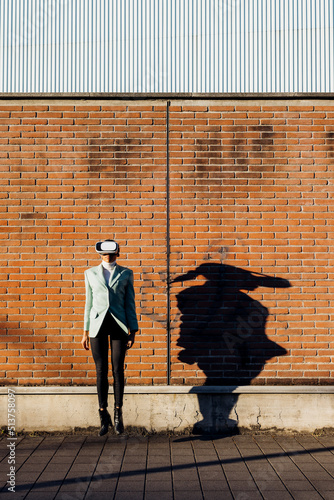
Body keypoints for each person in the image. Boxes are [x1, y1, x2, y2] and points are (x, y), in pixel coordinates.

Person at [81, 239, 138, 436]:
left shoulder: (126, 273)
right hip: (97, 325)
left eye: (112, 254)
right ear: (100, 254)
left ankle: (118, 413)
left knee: (117, 369)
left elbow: (129, 303)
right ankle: (103, 413)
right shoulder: (90, 274)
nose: (108, 257)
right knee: (100, 370)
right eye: (105, 254)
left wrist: (133, 330)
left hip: (119, 324)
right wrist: (85, 332)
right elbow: (88, 304)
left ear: (117, 254)